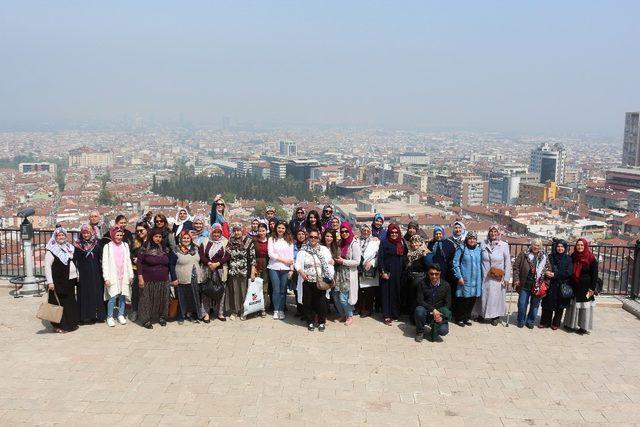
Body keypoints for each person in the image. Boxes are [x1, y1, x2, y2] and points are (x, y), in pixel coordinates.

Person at [136, 228, 178, 329]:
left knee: (162, 299)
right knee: (146, 300)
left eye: (160, 237)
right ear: (152, 237)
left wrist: (174, 277)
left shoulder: (164, 248)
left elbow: (173, 260)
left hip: (163, 280)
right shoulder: (145, 247)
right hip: (148, 280)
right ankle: (146, 320)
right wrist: (140, 278)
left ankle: (162, 317)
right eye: (156, 236)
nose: (158, 239)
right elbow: (139, 263)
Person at [295, 229, 335, 331]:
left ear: (318, 238)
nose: (313, 239)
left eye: (315, 237)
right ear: (308, 237)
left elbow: (329, 264)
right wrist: (302, 273)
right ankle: (310, 321)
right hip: (307, 280)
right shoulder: (303, 250)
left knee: (321, 302)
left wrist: (330, 276)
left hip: (320, 281)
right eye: (311, 237)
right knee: (308, 302)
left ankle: (321, 322)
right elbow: (297, 264)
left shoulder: (324, 250)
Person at [473, 225, 512, 326]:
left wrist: (507, 277)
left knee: (496, 297)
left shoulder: (504, 245)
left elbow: (508, 262)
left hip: (497, 276)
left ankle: (495, 316)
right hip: (485, 274)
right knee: (483, 297)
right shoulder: (482, 244)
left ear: (499, 233)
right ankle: (481, 315)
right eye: (491, 231)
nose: (493, 234)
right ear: (488, 233)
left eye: (495, 232)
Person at [44, 227, 79, 333]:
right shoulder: (51, 250)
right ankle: (59, 326)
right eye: (59, 235)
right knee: (59, 304)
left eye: (63, 235)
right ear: (55, 236)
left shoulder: (69, 248)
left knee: (69, 303)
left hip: (70, 280)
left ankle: (71, 324)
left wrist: (77, 275)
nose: (61, 237)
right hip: (58, 282)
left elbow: (74, 263)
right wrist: (50, 282)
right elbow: (47, 267)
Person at [512, 239, 551, 329]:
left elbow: (548, 269)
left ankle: (530, 321)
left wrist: (546, 282)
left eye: (538, 245)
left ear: (540, 247)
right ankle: (521, 320)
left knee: (534, 305)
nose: (536, 247)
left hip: (538, 285)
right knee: (522, 303)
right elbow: (516, 267)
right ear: (531, 245)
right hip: (524, 284)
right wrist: (516, 279)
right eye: (534, 245)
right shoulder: (524, 254)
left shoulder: (544, 257)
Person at [73, 224, 106, 324]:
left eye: (88, 232)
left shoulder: (97, 243)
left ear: (92, 232)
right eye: (84, 233)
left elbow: (101, 258)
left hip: (96, 272)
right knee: (84, 294)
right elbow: (74, 260)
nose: (86, 235)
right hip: (83, 273)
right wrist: (76, 273)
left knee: (97, 293)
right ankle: (83, 317)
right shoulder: (77, 245)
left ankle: (97, 316)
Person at [102, 226, 134, 327]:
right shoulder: (107, 246)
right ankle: (110, 316)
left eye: (120, 235)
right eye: (117, 235)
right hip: (113, 275)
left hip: (123, 274)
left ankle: (121, 314)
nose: (119, 237)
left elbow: (128, 260)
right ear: (112, 235)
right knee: (112, 297)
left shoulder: (125, 245)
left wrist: (130, 275)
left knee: (122, 296)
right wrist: (106, 278)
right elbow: (105, 263)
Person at [564, 238, 598, 335]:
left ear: (585, 246)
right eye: (578, 245)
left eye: (582, 245)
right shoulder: (573, 256)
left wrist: (592, 289)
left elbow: (595, 275)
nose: (580, 247)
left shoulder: (591, 258)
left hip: (587, 287)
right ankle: (570, 324)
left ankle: (584, 327)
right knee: (573, 306)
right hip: (575, 285)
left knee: (585, 307)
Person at [199, 223, 230, 322]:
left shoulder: (225, 242)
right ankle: (206, 313)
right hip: (208, 270)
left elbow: (228, 255)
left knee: (220, 291)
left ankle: (220, 312)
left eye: (218, 232)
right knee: (207, 291)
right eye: (214, 232)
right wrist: (209, 263)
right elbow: (201, 255)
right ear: (211, 231)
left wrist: (217, 263)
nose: (216, 234)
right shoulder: (205, 241)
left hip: (220, 270)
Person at [540, 239, 573, 330]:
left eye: (562, 246)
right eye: (558, 246)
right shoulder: (550, 257)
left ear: (565, 248)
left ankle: (556, 323)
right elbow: (544, 266)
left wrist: (555, 275)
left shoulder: (568, 259)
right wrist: (546, 272)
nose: (560, 248)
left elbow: (569, 272)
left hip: (561, 284)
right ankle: (545, 322)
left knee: (559, 305)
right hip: (550, 284)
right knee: (547, 304)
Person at [378, 223, 406, 325]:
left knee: (396, 293)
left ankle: (395, 314)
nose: (394, 234)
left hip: (398, 273)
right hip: (387, 272)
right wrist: (383, 272)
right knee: (386, 294)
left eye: (396, 232)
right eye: (392, 232)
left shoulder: (400, 243)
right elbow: (380, 258)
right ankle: (386, 315)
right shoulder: (384, 242)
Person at [415, 264, 451, 343]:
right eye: (431, 274)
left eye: (436, 274)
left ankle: (434, 329)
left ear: (440, 273)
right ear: (428, 273)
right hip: (426, 311)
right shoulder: (422, 283)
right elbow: (420, 300)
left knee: (443, 331)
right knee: (419, 310)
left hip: (439, 313)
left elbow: (448, 304)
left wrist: (441, 315)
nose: (434, 276)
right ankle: (420, 332)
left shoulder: (446, 285)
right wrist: (433, 309)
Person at [333, 222, 361, 325]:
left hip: (348, 274)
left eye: (346, 231)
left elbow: (357, 262)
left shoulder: (354, 244)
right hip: (338, 273)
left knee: (343, 298)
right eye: (342, 231)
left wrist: (343, 261)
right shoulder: (340, 243)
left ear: (349, 231)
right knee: (335, 296)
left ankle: (349, 315)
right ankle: (342, 315)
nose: (344, 233)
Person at [452, 231, 482, 327]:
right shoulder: (461, 248)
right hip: (465, 278)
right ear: (467, 239)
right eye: (470, 238)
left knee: (472, 299)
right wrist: (459, 276)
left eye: (474, 238)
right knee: (463, 299)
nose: (472, 240)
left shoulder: (478, 250)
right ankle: (459, 318)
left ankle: (466, 317)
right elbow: (455, 263)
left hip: (476, 279)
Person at [174, 230, 205, 324]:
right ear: (180, 239)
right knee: (182, 296)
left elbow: (200, 260)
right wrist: (173, 278)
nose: (186, 240)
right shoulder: (176, 249)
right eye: (184, 238)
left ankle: (193, 315)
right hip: (182, 276)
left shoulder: (195, 248)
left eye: (188, 238)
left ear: (191, 239)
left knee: (194, 296)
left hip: (195, 276)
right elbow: (171, 263)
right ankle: (181, 315)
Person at [267, 220, 295, 320]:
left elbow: (291, 256)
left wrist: (291, 269)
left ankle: (281, 310)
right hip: (273, 267)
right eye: (279, 227)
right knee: (276, 290)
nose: (281, 230)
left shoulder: (290, 240)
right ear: (276, 228)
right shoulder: (271, 239)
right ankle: (275, 310)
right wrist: (284, 260)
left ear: (285, 229)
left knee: (283, 290)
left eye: (283, 228)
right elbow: (271, 254)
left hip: (286, 269)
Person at [226, 223, 253, 320]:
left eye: (239, 230)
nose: (237, 232)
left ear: (242, 231)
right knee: (234, 291)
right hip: (233, 270)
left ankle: (244, 311)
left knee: (243, 291)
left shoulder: (248, 240)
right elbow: (227, 255)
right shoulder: (230, 241)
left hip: (244, 270)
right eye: (235, 230)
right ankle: (234, 311)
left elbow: (252, 257)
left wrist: (253, 271)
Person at [402, 235, 433, 320]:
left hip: (421, 280)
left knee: (419, 300)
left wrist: (425, 255)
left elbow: (429, 265)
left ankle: (419, 319)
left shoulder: (426, 252)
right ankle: (412, 318)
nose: (414, 244)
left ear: (420, 243)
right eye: (412, 242)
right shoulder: (410, 253)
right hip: (411, 280)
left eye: (416, 242)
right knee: (411, 300)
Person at [356, 224, 380, 317]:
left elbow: (378, 255)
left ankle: (368, 309)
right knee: (359, 290)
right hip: (359, 269)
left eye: (367, 230)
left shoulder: (376, 241)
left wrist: (372, 262)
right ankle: (360, 308)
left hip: (370, 269)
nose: (366, 232)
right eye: (364, 230)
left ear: (370, 231)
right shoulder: (357, 240)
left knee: (369, 291)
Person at [247, 222, 270, 317]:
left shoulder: (270, 240)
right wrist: (253, 269)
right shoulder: (254, 241)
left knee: (264, 288)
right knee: (255, 288)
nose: (261, 233)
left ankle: (262, 308)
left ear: (266, 231)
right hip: (256, 265)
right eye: (260, 231)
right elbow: (252, 256)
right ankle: (254, 308)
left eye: (263, 231)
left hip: (267, 266)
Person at [129, 222, 149, 322]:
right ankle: (135, 310)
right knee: (136, 292)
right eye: (137, 231)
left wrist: (142, 260)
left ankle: (145, 311)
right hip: (136, 270)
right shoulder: (135, 241)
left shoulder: (151, 241)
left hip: (148, 270)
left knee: (146, 293)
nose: (139, 232)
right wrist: (134, 259)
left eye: (141, 230)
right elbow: (130, 254)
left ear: (147, 230)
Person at [292, 228, 307, 318]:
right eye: (299, 234)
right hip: (296, 271)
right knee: (296, 290)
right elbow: (291, 257)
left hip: (306, 271)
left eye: (302, 234)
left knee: (306, 292)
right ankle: (299, 309)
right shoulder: (293, 245)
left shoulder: (308, 245)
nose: (301, 236)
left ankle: (306, 311)